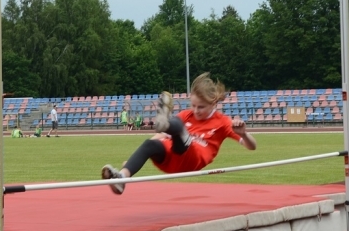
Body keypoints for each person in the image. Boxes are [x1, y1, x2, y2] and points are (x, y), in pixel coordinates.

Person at [101, 72, 257, 195]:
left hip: (193, 158)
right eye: (193, 105)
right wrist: (130, 161)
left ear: (213, 103)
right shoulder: (187, 114)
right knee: (150, 144)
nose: (195, 111)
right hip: (171, 160)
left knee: (180, 129)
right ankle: (122, 178)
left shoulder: (222, 122)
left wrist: (243, 134)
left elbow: (252, 146)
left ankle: (166, 122)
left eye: (201, 107)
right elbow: (160, 137)